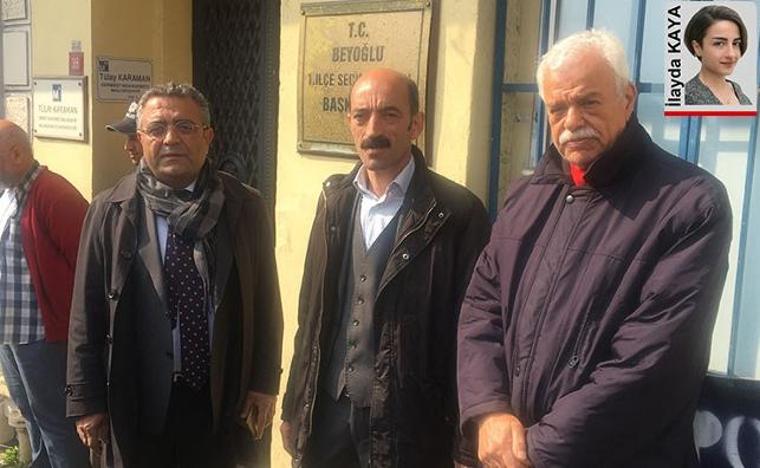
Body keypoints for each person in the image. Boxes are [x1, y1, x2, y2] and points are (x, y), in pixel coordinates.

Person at [458, 30, 733, 467]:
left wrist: (532, 452)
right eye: (557, 108)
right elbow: (481, 309)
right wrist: (489, 411)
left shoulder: (690, 203)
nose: (571, 121)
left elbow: (649, 365)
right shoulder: (525, 197)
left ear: (627, 99)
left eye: (588, 102)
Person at [280, 68, 490, 468]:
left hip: (409, 426)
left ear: (416, 124)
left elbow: (472, 335)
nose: (373, 129)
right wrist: (294, 405)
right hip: (328, 417)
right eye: (361, 116)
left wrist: (465, 442)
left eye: (389, 114)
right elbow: (311, 316)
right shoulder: (334, 201)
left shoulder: (456, 213)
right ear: (349, 122)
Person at [66, 83, 283, 467]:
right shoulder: (109, 211)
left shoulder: (244, 206)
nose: (170, 139)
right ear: (140, 139)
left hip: (221, 401)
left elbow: (266, 302)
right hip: (138, 402)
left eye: (185, 126)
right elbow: (86, 313)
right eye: (157, 128)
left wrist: (264, 384)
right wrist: (86, 401)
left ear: (207, 136)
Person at [0, 120, 90, 467]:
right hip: (12, 335)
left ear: (16, 153)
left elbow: (87, 268)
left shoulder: (54, 194)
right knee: (32, 418)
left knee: (57, 427)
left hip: (44, 338)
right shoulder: (10, 192)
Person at [684, 5, 752, 105]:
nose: (731, 54)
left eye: (735, 43)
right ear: (697, 47)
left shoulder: (737, 91)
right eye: (719, 44)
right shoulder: (686, 98)